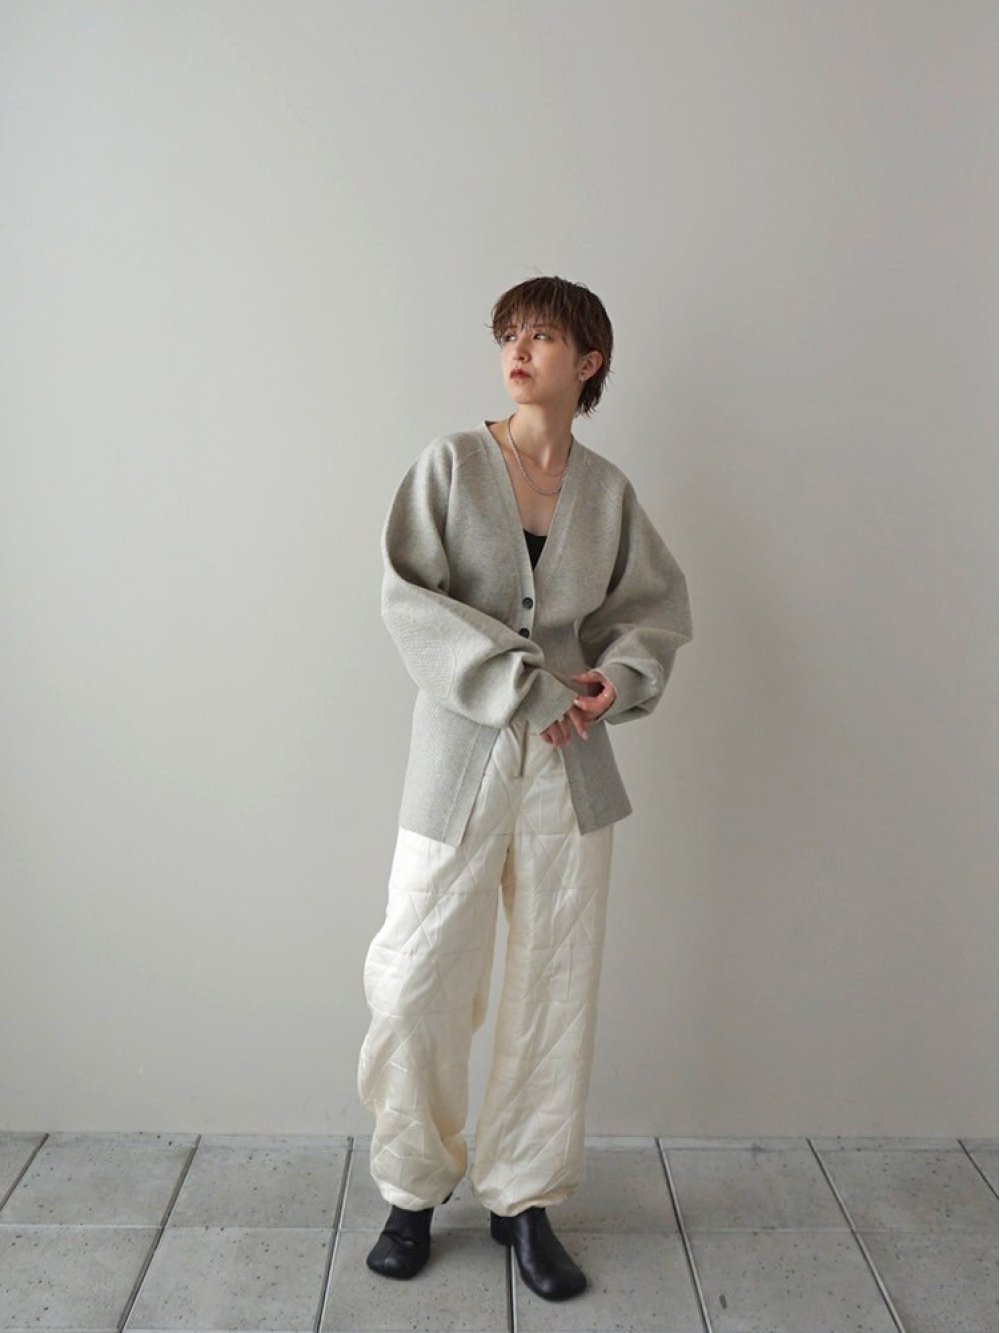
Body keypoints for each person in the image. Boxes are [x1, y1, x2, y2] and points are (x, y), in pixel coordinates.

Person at [356, 275, 693, 1301]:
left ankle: (524, 1198)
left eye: (542, 335)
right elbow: (409, 602)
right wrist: (525, 685)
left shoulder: (608, 492)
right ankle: (412, 1186)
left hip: (569, 763)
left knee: (554, 985)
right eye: (510, 333)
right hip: (459, 759)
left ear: (588, 361)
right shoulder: (452, 465)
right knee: (417, 976)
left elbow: (654, 609)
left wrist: (621, 675)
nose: (518, 349)